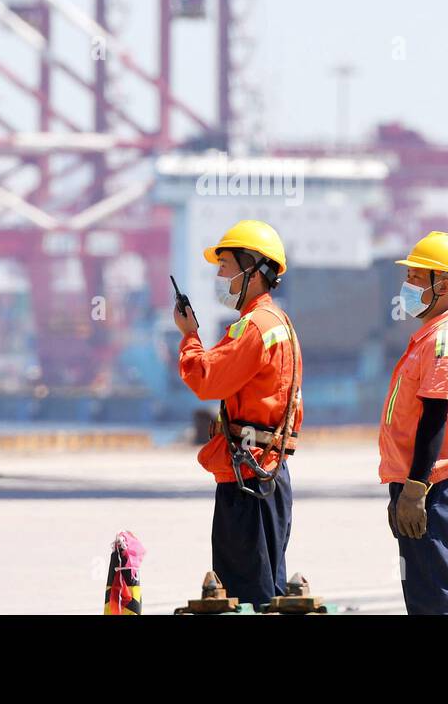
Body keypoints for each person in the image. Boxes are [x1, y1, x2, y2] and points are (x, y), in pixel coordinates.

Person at [173, 219, 303, 609]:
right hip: (267, 473)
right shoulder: (278, 322)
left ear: (253, 270)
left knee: (245, 594)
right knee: (268, 591)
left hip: (249, 478)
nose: (219, 276)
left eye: (225, 265)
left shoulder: (254, 326)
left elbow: (206, 378)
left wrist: (188, 336)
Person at [379, 230, 448, 614]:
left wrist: (415, 489)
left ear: (447, 285)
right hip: (419, 483)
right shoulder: (430, 336)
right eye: (410, 277)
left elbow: (435, 417)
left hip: (433, 487)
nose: (409, 286)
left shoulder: (442, 342)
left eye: (418, 279)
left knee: (435, 593)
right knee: (421, 595)